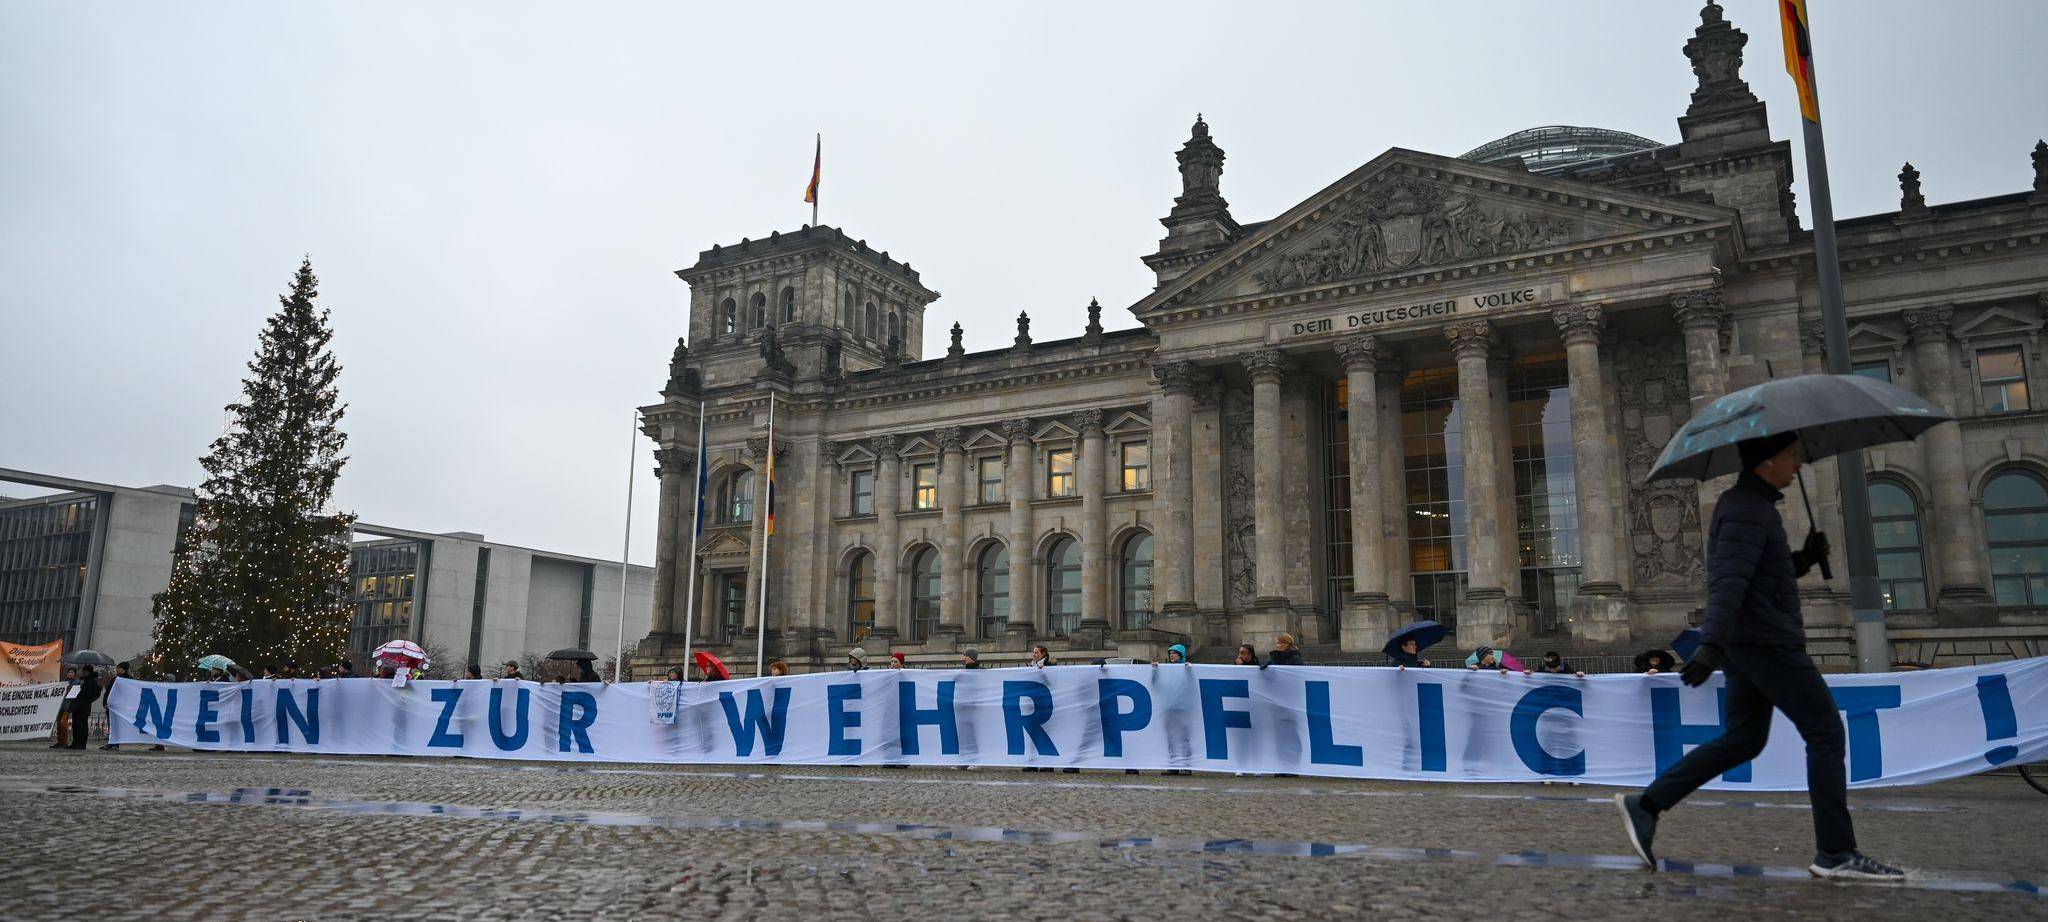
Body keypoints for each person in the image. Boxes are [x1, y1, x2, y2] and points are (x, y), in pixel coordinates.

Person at [1616, 432, 1903, 882]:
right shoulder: (1747, 509)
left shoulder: (1751, 507)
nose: (1798, 465)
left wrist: (1803, 560)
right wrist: (1711, 645)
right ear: (1767, 461)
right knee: (1826, 732)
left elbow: (1759, 574)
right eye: (1792, 456)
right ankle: (1836, 851)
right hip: (1767, 643)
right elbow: (1729, 581)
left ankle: (1647, 805)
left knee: (1744, 740)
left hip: (1751, 642)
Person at [64, 666, 100, 749]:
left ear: (88, 672)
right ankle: (75, 742)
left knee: (82, 726)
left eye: (85, 671)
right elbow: (76, 691)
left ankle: (81, 743)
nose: (83, 673)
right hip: (76, 705)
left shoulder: (92, 681)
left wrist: (83, 686)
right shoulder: (81, 680)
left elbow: (91, 693)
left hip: (84, 707)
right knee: (75, 725)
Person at [100, 662, 129, 750]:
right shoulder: (115, 679)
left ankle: (114, 743)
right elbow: (108, 691)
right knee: (112, 725)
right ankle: (113, 743)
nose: (117, 670)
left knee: (117, 725)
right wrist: (105, 702)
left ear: (123, 669)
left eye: (118, 668)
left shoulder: (128, 680)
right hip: (112, 705)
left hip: (121, 706)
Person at [51, 667, 78, 749]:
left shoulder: (76, 683)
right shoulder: (64, 682)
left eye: (72, 672)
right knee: (59, 723)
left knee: (63, 722)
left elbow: (74, 694)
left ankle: (64, 742)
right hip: (60, 705)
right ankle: (60, 741)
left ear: (75, 674)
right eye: (69, 672)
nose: (70, 674)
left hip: (68, 705)